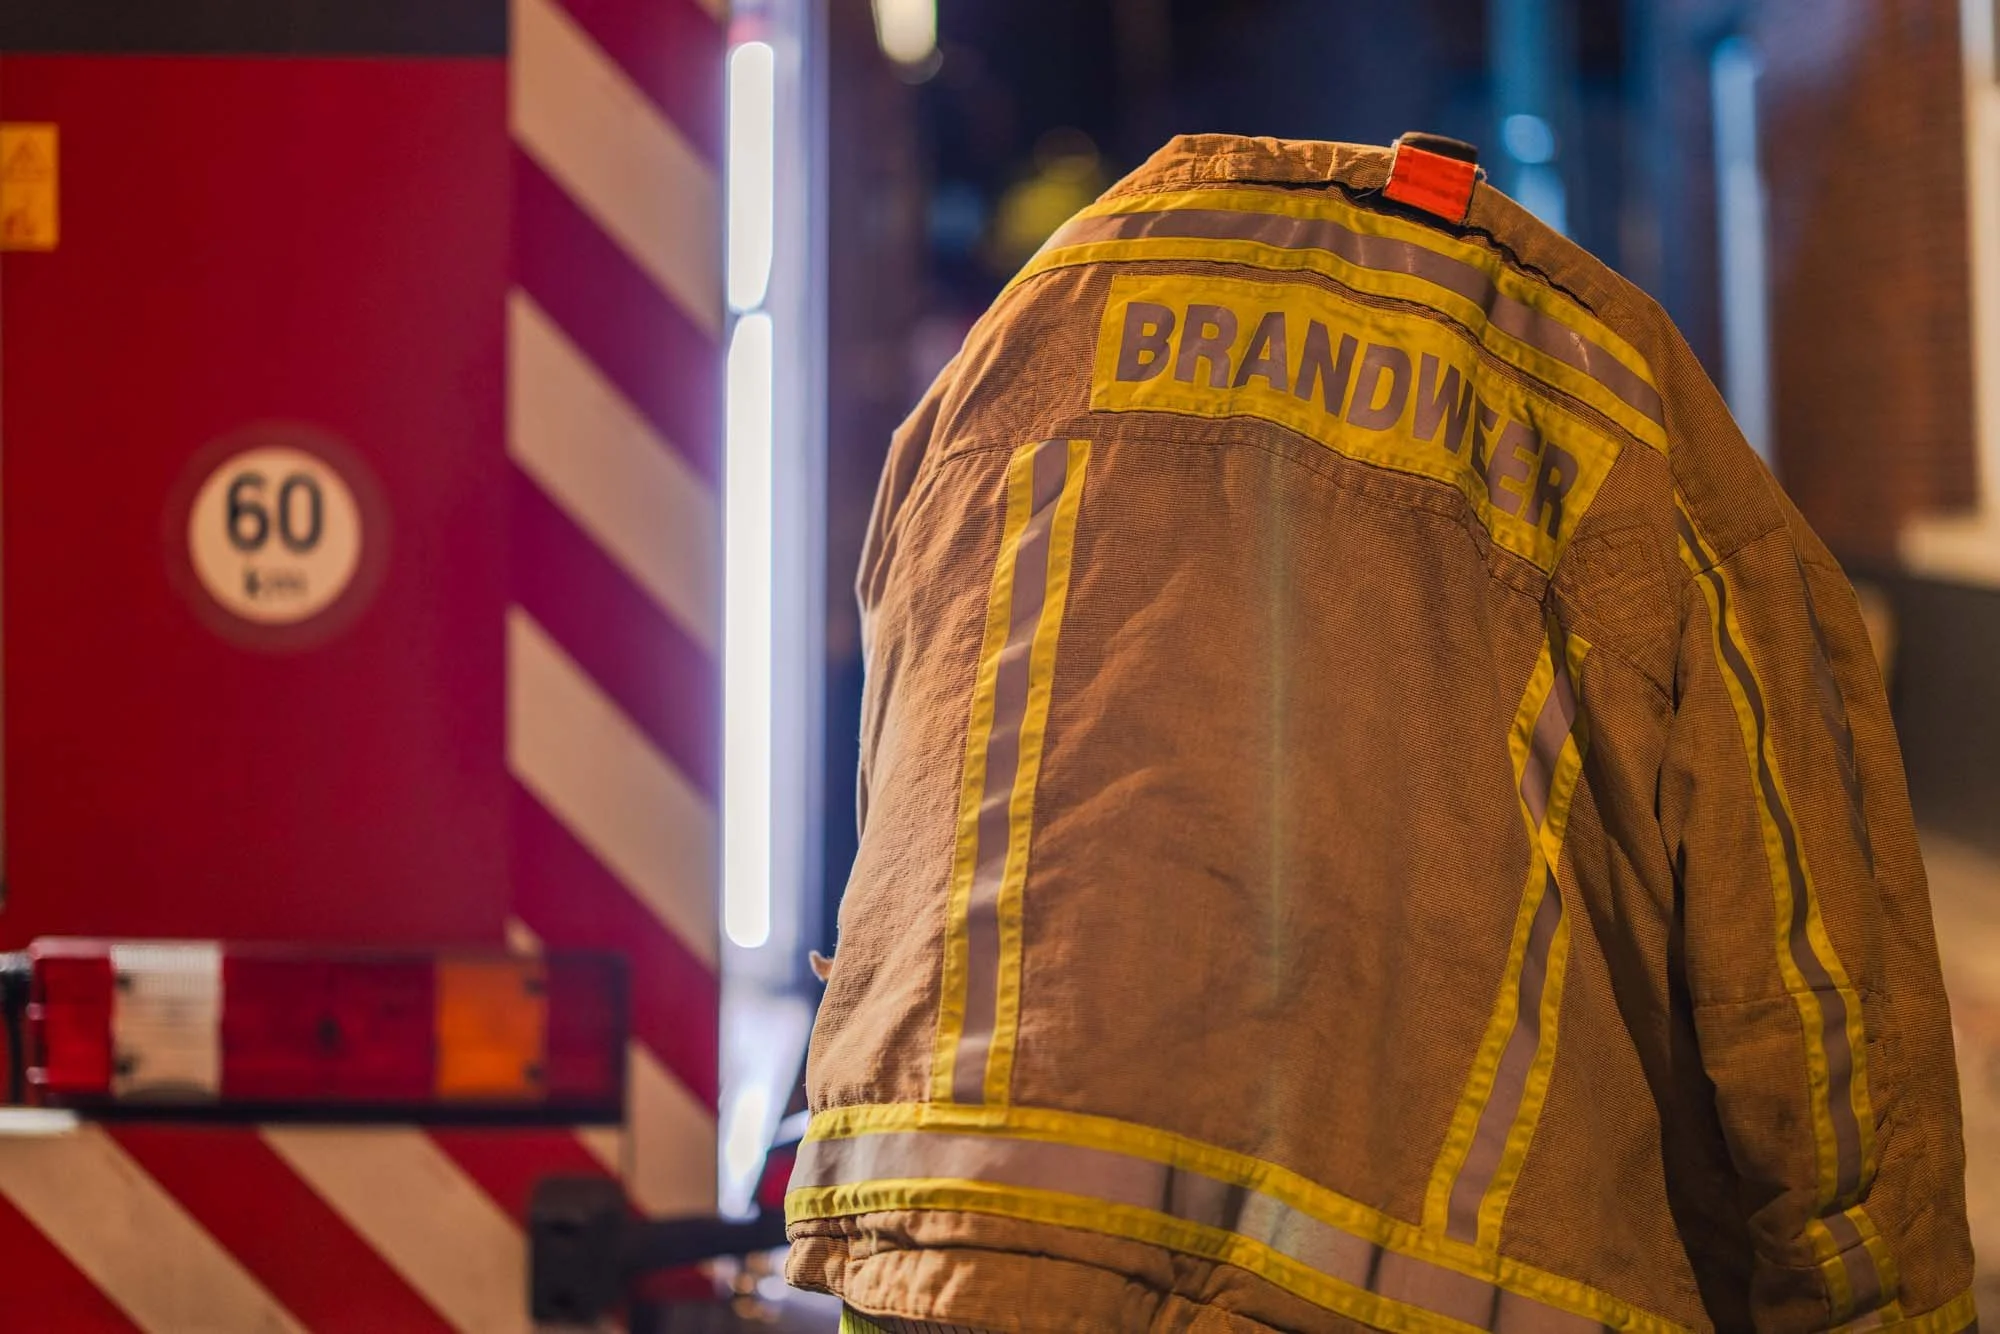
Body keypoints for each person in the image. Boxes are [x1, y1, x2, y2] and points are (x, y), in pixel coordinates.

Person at [784, 133, 1977, 1334]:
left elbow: (901, 772)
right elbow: (1810, 971)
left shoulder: (1027, 330)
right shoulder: (1619, 403)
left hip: (954, 1250)